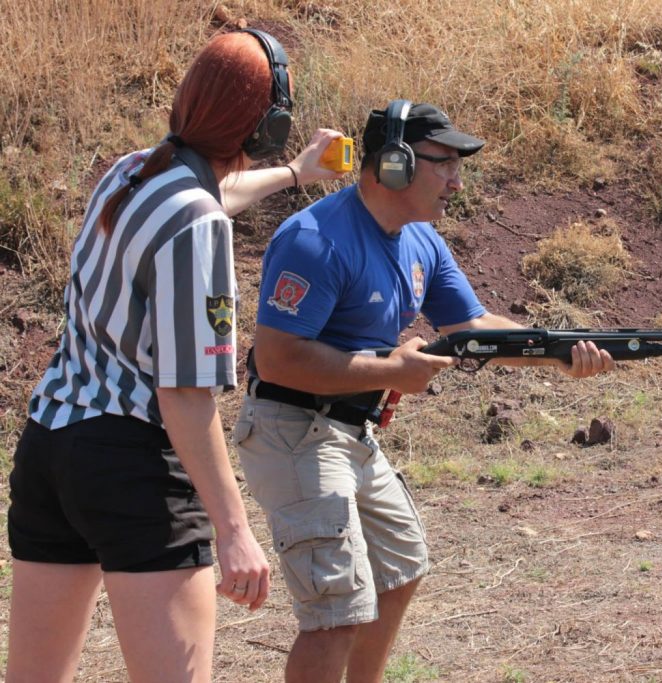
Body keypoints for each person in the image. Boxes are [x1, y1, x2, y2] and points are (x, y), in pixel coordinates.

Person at [5, 29, 349, 683]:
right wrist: (234, 528)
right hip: (131, 465)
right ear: (267, 124)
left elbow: (210, 195)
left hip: (48, 450)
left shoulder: (132, 169)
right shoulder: (200, 224)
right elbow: (185, 393)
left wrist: (298, 174)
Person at [235, 99, 615, 683]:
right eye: (446, 165)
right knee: (336, 614)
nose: (457, 182)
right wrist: (390, 371)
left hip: (348, 431)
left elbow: (472, 328)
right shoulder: (316, 240)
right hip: (292, 430)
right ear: (395, 163)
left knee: (399, 568)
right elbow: (279, 361)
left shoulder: (420, 241)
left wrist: (558, 352)